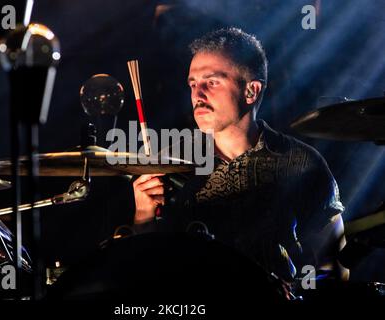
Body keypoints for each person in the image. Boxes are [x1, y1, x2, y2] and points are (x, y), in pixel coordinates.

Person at [130, 27, 348, 284]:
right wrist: (143, 217)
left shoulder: (300, 162)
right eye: (192, 84)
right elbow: (139, 267)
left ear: (251, 91)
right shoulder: (168, 162)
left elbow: (332, 263)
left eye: (211, 82)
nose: (197, 95)